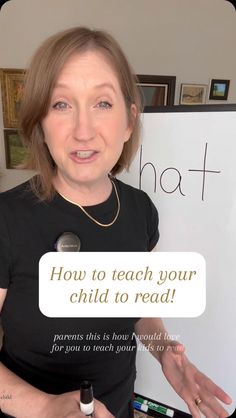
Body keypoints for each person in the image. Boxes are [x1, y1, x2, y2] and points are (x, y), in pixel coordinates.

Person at [0, 27, 232, 418]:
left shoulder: (141, 211)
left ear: (129, 121)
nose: (83, 130)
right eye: (61, 104)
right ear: (40, 123)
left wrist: (165, 354)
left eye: (103, 103)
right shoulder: (7, 219)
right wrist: (47, 408)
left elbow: (137, 305)